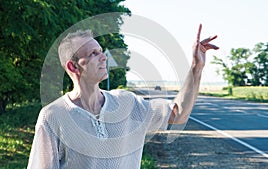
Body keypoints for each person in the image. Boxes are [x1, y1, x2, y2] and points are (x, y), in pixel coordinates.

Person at [27, 24, 219, 169]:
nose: (103, 57)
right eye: (94, 53)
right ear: (73, 66)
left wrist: (196, 68)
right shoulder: (53, 116)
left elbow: (177, 115)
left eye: (101, 51)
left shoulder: (127, 103)